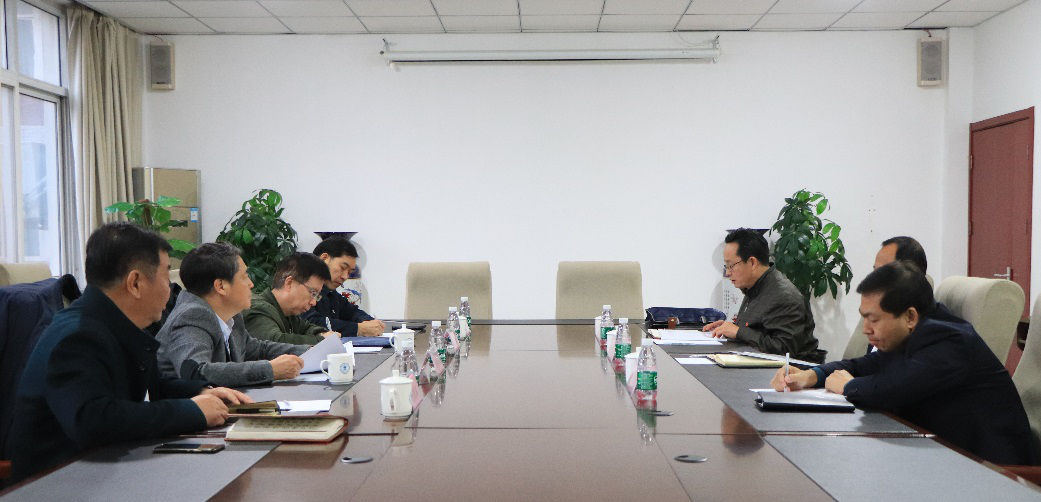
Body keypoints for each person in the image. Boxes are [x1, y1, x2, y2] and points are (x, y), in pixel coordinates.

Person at [5, 223, 251, 482]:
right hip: (61, 483)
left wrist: (200, 391)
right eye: (166, 278)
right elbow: (94, 420)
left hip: (106, 471)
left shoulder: (114, 324)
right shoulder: (76, 336)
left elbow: (151, 385)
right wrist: (190, 411)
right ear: (135, 283)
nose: (170, 290)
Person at [771, 261, 1037, 465]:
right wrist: (812, 375)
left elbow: (892, 388)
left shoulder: (950, 342)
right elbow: (867, 365)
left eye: (874, 319)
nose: (866, 329)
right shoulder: (915, 333)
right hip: (944, 457)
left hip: (992, 472)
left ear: (910, 316)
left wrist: (848, 386)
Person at [157, 242, 307, 387]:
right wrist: (270, 370)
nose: (251, 284)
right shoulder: (192, 316)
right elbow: (197, 371)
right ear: (221, 286)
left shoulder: (230, 314)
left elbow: (258, 350)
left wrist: (313, 351)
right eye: (244, 277)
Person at [703, 228, 825, 363]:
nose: (727, 273)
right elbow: (759, 329)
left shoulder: (783, 296)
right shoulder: (756, 285)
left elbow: (784, 349)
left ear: (752, 262)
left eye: (731, 265)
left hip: (792, 371)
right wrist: (729, 328)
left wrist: (738, 332)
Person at [244, 252, 339, 345]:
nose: (314, 302)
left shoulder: (288, 313)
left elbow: (307, 328)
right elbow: (275, 342)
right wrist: (322, 339)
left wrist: (322, 333)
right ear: (289, 283)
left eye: (317, 296)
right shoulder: (257, 308)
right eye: (313, 293)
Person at [302, 237, 385, 337]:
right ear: (324, 259)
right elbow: (311, 323)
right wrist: (359, 329)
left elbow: (352, 312)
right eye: (343, 268)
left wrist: (370, 323)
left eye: (350, 272)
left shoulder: (330, 292)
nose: (345, 276)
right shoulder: (302, 286)